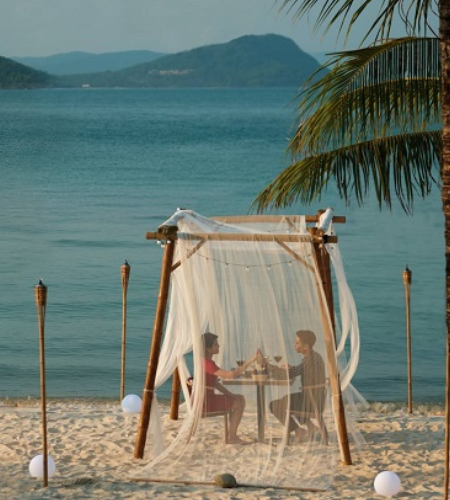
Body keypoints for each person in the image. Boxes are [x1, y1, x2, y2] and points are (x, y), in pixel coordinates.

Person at [267, 330, 326, 444]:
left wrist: (270, 367)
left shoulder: (309, 360)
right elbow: (300, 370)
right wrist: (291, 368)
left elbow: (290, 374)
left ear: (305, 346)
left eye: (297, 343)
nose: (295, 345)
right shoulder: (314, 357)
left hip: (310, 400)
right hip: (315, 398)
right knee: (285, 400)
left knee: (274, 405)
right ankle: (310, 427)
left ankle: (298, 430)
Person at [201, 332, 260, 445]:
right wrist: (251, 360)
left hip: (206, 398)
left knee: (238, 398)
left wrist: (230, 394)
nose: (218, 346)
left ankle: (230, 435)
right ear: (208, 349)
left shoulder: (207, 362)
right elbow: (231, 375)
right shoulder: (207, 363)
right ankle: (232, 437)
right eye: (215, 345)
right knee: (239, 402)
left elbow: (214, 383)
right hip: (207, 402)